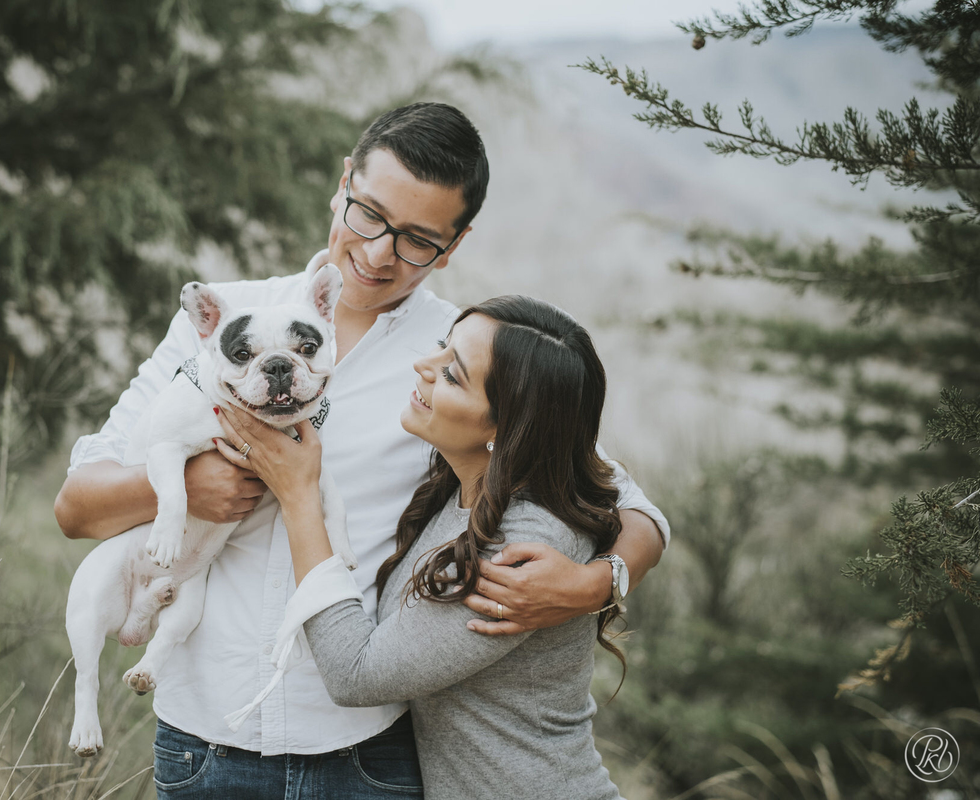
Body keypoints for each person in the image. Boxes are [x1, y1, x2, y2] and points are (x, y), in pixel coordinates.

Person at [54, 102, 670, 798]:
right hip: (202, 741)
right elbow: (77, 506)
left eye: (417, 240)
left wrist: (600, 581)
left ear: (456, 243)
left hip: (368, 754)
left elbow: (627, 502)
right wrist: (184, 487)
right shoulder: (223, 322)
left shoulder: (455, 359)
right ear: (343, 181)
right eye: (368, 214)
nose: (379, 254)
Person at [214, 295, 627, 800]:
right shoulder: (464, 493)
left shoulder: (523, 545)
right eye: (439, 347)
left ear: (506, 426)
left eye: (451, 375)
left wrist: (299, 494)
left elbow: (355, 676)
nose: (422, 367)